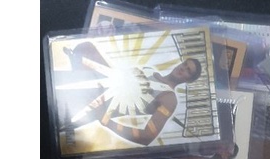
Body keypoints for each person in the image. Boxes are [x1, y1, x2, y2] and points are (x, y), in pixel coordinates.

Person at [62, 41, 203, 145]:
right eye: (184, 64)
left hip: (89, 105)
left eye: (188, 70)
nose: (183, 68)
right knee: (85, 47)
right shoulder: (150, 71)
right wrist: (82, 58)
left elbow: (146, 137)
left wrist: (106, 121)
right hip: (80, 85)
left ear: (189, 80)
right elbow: (116, 76)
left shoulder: (169, 98)